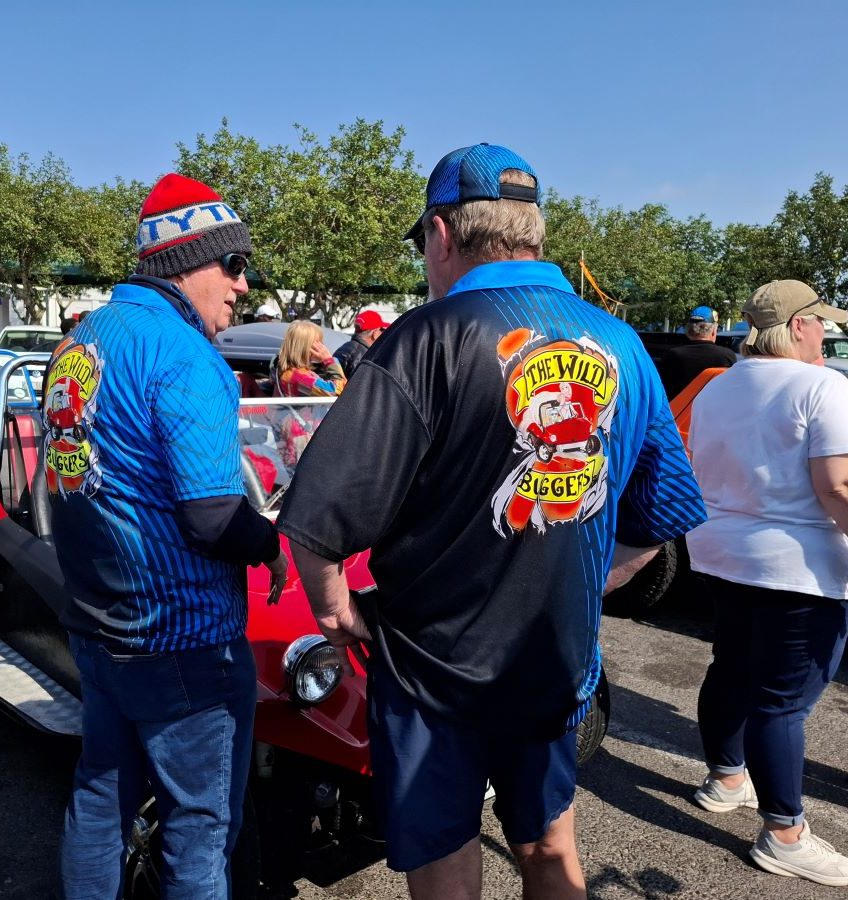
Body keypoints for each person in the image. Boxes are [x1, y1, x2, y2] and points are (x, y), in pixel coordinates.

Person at [276, 143, 706, 900]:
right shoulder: (625, 345)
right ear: (532, 229)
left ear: (444, 234)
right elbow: (660, 518)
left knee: (446, 852)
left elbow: (314, 518)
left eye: (422, 246)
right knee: (548, 842)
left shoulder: (426, 337)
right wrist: (577, 589)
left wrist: (335, 608)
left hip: (433, 671)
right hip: (554, 659)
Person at [43, 172, 288, 900]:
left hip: (94, 624)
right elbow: (212, 516)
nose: (243, 287)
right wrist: (273, 545)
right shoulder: (185, 356)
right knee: (200, 827)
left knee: (100, 796)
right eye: (235, 266)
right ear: (190, 262)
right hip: (180, 640)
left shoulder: (81, 341)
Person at [686, 280, 848, 886]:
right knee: (783, 703)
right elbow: (836, 489)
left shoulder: (718, 387)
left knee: (730, 667)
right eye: (821, 323)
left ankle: (726, 778)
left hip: (721, 550)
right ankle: (784, 833)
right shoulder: (824, 385)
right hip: (797, 565)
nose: (827, 333)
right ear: (798, 326)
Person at [657, 305, 737, 399]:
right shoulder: (726, 356)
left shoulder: (672, 355)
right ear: (713, 330)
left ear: (689, 330)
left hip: (678, 411)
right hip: (713, 412)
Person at [270, 319, 346, 397]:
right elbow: (338, 391)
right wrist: (329, 360)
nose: (323, 346)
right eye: (318, 342)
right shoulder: (299, 376)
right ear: (305, 347)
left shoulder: (287, 370)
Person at [334, 310, 390, 379]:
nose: (382, 334)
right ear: (374, 333)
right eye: (381, 330)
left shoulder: (347, 346)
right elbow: (361, 385)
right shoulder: (363, 355)